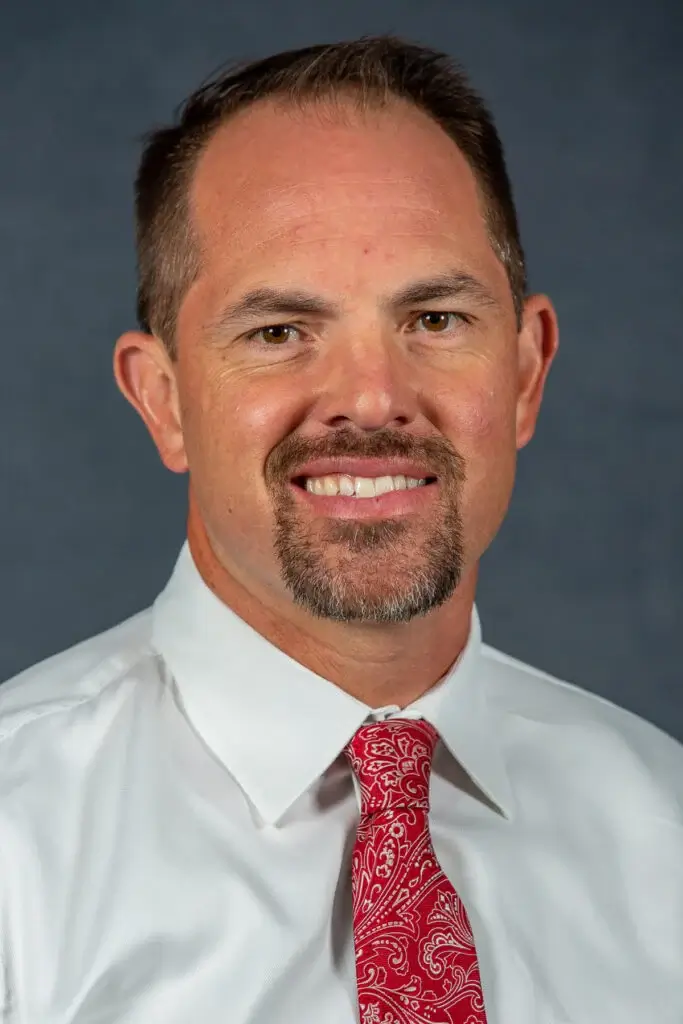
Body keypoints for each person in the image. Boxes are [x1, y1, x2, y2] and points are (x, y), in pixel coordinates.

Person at [0, 34, 681, 1024]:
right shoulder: (17, 845)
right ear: (164, 401)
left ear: (525, 373)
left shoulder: (664, 835)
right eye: (278, 332)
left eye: (434, 319)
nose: (370, 397)